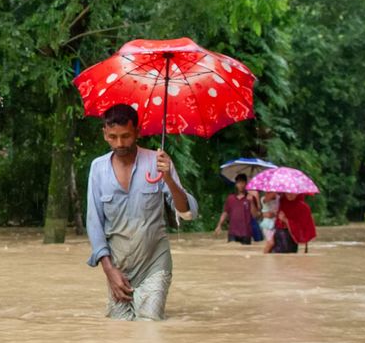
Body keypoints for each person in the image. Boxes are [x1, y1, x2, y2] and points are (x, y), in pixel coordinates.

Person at [85, 104, 198, 321]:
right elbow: (94, 222)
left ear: (138, 131)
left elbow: (187, 213)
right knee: (120, 331)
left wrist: (169, 179)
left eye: (126, 136)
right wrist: (109, 271)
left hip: (155, 263)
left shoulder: (159, 162)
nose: (120, 143)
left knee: (150, 324)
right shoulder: (97, 168)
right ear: (105, 135)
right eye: (114, 137)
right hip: (119, 267)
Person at [213, 173, 258, 244]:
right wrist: (219, 225)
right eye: (239, 182)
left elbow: (255, 215)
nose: (241, 185)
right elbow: (225, 212)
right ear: (236, 184)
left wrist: (252, 202)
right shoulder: (230, 198)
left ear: (246, 184)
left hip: (246, 232)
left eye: (243, 182)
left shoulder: (251, 198)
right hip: (233, 232)